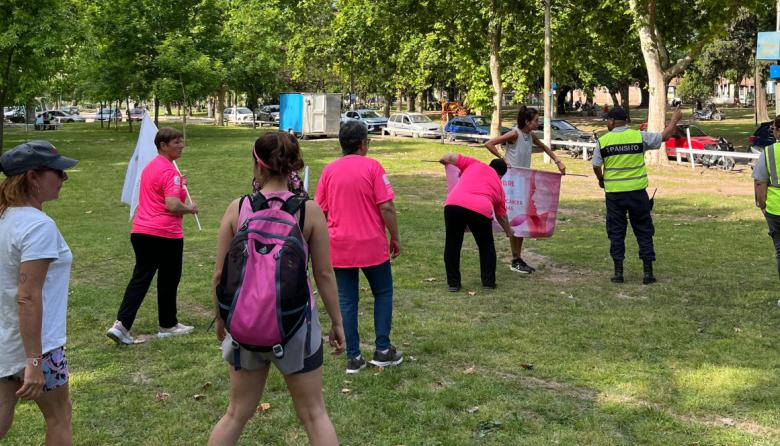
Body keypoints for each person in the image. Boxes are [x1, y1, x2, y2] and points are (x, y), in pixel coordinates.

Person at [209, 133, 345, 446]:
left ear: (258, 165)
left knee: (235, 414)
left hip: (244, 326)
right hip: (296, 326)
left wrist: (221, 319)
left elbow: (219, 274)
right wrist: (337, 322)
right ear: (293, 165)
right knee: (314, 415)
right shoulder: (308, 211)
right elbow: (324, 273)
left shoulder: (238, 208)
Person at [0, 141, 78, 445]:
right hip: (40, 345)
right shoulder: (38, 226)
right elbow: (28, 295)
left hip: (6, 338)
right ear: (33, 177)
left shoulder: (5, 218)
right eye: (58, 172)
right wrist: (34, 361)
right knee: (60, 416)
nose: (64, 178)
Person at [315, 121, 403, 374]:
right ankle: (383, 349)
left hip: (339, 246)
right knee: (383, 293)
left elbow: (320, 210)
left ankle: (353, 356)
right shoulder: (373, 167)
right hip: (371, 244)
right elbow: (386, 206)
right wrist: (395, 236)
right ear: (363, 144)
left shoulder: (329, 171)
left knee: (347, 300)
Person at [106, 127, 197, 345]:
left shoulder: (150, 168)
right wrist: (190, 208)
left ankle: (121, 325)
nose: (181, 146)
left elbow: (159, 193)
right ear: (163, 145)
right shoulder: (170, 172)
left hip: (141, 232)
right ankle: (168, 325)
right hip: (165, 234)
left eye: (181, 141)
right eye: (176, 142)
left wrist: (179, 185)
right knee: (169, 279)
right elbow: (172, 205)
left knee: (140, 279)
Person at [592, 107, 681, 284]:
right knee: (643, 231)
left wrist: (601, 180)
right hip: (638, 194)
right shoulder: (639, 137)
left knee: (616, 232)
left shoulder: (603, 141)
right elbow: (664, 136)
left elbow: (596, 165)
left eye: (607, 120)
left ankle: (618, 273)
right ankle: (648, 273)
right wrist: (674, 120)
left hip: (615, 195)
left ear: (612, 121)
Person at [484, 105, 566, 274]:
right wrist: (503, 159)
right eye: (536, 120)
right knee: (515, 219)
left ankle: (517, 258)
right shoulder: (515, 134)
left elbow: (544, 147)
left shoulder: (530, 135)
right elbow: (489, 143)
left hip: (523, 182)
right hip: (512, 184)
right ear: (528, 122)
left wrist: (558, 161)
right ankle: (515, 258)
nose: (538, 122)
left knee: (521, 220)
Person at [440, 153, 513, 291]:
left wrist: (444, 160)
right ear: (501, 175)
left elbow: (449, 157)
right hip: (480, 209)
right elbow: (502, 216)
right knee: (486, 246)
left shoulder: (474, 164)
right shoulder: (499, 186)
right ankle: (488, 283)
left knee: (452, 244)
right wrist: (509, 231)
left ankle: (453, 284)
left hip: (453, 204)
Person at [752, 115, 780, 284]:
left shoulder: (769, 152)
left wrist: (761, 204)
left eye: (773, 129)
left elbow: (760, 183)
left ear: (778, 131)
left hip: (776, 210)